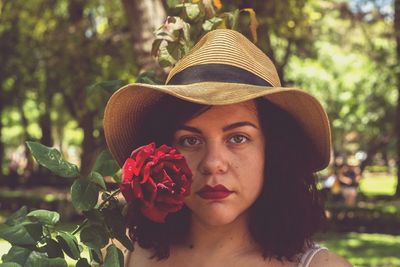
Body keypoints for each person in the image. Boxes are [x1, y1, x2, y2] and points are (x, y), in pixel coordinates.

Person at [103, 29, 351, 266]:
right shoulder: (121, 256)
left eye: (238, 138)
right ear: (162, 152)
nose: (213, 163)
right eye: (190, 140)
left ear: (273, 151)